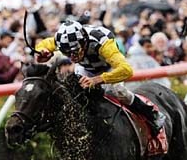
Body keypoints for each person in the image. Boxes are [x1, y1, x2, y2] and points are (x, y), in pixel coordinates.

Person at [34, 20, 165, 136]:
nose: (72, 57)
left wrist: (96, 80)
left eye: (74, 52)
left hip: (109, 67)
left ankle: (151, 114)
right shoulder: (63, 39)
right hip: (86, 68)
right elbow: (42, 45)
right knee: (74, 92)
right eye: (67, 53)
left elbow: (127, 70)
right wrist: (42, 53)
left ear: (84, 42)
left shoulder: (103, 42)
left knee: (117, 91)